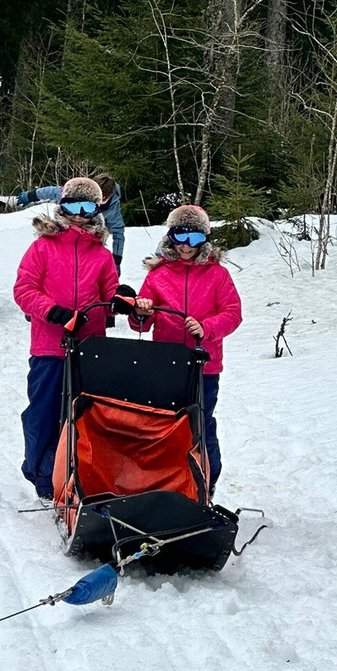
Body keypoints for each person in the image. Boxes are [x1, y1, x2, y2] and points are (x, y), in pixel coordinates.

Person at [13, 177, 121, 502]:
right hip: (50, 347)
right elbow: (24, 290)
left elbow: (110, 293)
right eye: (72, 206)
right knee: (44, 414)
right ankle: (45, 478)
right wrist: (55, 312)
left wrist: (123, 298)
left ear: (96, 210)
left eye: (86, 207)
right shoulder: (43, 247)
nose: (78, 214)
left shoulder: (101, 255)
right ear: (63, 207)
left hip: (89, 349)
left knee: (84, 415)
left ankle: (81, 475)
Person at [129, 205, 242, 494]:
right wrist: (141, 313)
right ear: (171, 237)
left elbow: (232, 313)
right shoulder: (157, 275)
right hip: (166, 364)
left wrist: (207, 327)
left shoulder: (217, 275)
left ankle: (206, 481)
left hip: (204, 365)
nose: (186, 246)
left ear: (204, 239)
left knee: (200, 424)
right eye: (181, 236)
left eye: (194, 239)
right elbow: (141, 320)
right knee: (162, 424)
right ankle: (164, 483)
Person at [16, 174, 126, 272]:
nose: (99, 202)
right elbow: (51, 191)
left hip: (89, 243)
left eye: (103, 199)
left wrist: (116, 260)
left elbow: (118, 234)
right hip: (66, 238)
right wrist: (30, 196)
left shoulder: (113, 209)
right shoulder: (75, 195)